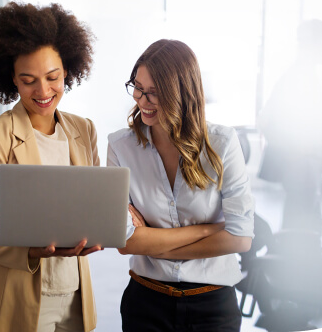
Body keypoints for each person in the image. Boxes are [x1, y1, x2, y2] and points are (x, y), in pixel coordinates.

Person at [0, 2, 102, 332]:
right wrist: (30, 250)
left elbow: (93, 204)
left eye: (52, 77)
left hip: (75, 295)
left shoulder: (84, 130)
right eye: (28, 80)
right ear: (12, 79)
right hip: (14, 296)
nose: (43, 91)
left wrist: (100, 229)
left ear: (67, 70)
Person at [107, 39, 255, 331]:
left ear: (182, 93)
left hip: (212, 306)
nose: (141, 100)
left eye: (154, 93)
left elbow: (240, 239)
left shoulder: (223, 144)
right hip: (145, 303)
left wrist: (152, 242)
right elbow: (125, 241)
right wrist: (208, 230)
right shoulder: (120, 147)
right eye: (137, 87)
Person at [257, 19, 322, 233]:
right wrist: (296, 153)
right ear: (313, 43)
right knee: (301, 227)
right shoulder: (297, 79)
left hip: (306, 164)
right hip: (301, 165)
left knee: (305, 224)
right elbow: (266, 120)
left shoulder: (308, 77)